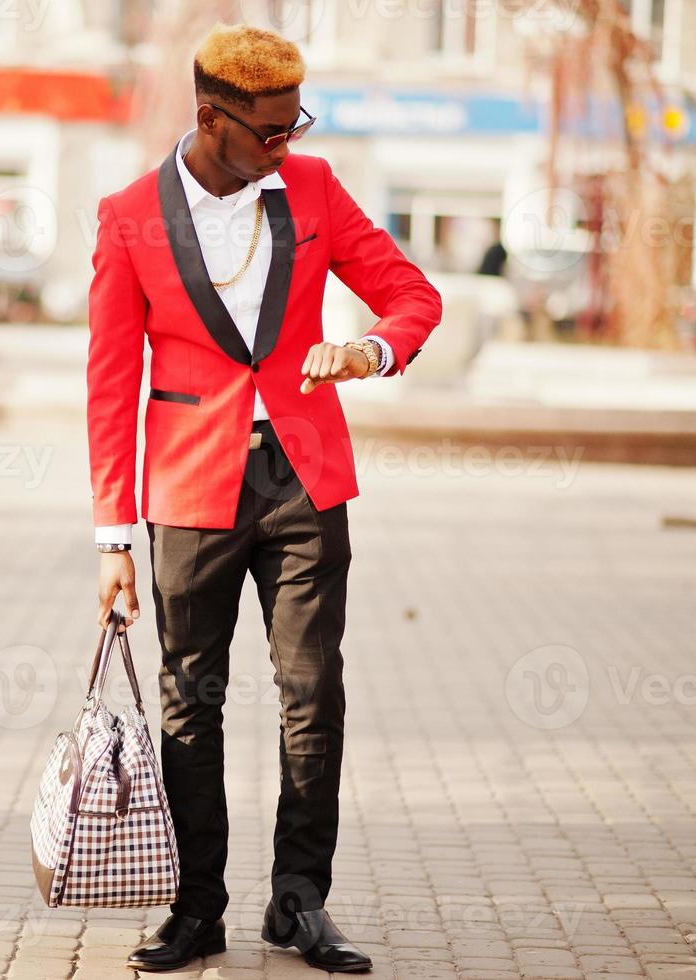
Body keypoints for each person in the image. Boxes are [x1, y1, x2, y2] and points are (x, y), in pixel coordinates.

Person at [86, 22, 442, 973]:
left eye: (296, 125)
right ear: (211, 117)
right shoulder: (128, 216)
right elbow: (111, 381)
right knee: (189, 701)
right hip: (189, 490)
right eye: (271, 132)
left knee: (309, 693)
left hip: (303, 481)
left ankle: (296, 901)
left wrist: (369, 348)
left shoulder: (314, 188)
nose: (288, 144)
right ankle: (196, 908)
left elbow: (410, 293)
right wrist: (113, 535)